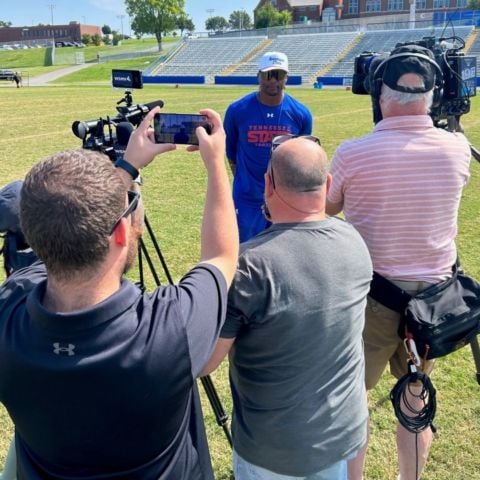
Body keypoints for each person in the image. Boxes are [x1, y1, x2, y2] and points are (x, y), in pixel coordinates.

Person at [0, 107, 239, 480]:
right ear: (123, 234)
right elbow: (222, 257)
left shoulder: (8, 310)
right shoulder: (169, 330)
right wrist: (214, 164)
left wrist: (125, 170)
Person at [326, 45, 471, 480]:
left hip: (372, 300)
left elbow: (330, 208)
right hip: (431, 305)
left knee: (353, 399)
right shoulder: (456, 149)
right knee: (414, 394)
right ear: (433, 96)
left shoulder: (353, 152)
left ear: (380, 96)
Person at [203, 135, 373, 480]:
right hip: (342, 436)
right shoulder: (354, 241)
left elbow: (204, 362)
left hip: (273, 452)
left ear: (268, 185)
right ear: (326, 185)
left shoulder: (250, 266)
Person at [224, 51, 313, 242]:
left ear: (286, 78)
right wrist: (248, 183)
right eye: (267, 75)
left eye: (278, 75)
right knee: (244, 250)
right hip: (247, 198)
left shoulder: (301, 114)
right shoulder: (237, 110)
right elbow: (230, 152)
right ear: (258, 76)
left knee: (280, 249)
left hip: (285, 197)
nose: (273, 81)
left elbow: (303, 158)